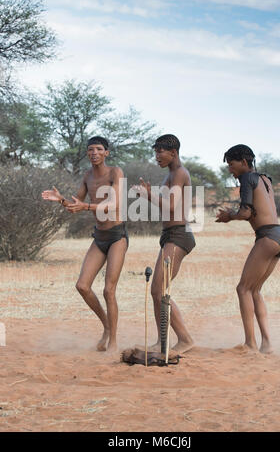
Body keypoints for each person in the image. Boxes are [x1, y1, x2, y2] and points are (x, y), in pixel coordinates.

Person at [42, 136, 128, 353]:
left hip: (117, 236)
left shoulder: (116, 172)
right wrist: (61, 200)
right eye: (91, 149)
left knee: (109, 290)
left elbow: (114, 204)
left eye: (99, 149)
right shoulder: (87, 176)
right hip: (99, 237)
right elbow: (75, 205)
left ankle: (114, 342)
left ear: (106, 153)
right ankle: (107, 326)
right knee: (82, 286)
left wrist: (86, 206)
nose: (94, 153)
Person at [216, 144, 280, 354]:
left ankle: (250, 343)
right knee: (254, 290)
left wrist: (229, 216)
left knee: (243, 289)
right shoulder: (265, 179)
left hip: (267, 238)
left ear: (244, 163)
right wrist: (234, 213)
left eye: (232, 164)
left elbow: (246, 212)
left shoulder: (247, 178)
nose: (230, 169)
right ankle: (266, 344)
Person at [133, 134, 196, 354]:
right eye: (155, 152)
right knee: (157, 290)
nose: (157, 157)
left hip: (179, 236)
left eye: (160, 152)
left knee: (159, 289)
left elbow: (171, 207)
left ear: (174, 152)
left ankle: (185, 339)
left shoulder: (179, 173)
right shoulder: (172, 174)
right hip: (170, 235)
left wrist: (149, 195)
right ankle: (162, 342)